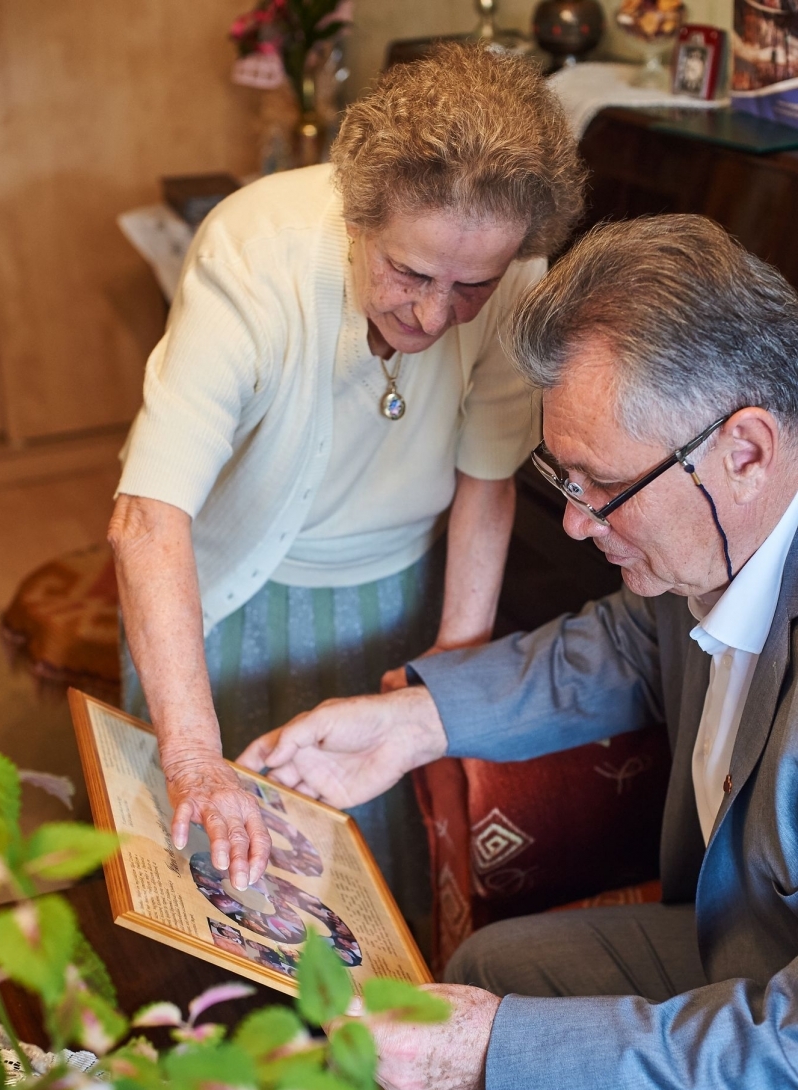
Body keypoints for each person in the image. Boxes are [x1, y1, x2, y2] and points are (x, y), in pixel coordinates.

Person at [238, 214, 798, 1090]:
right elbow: (627, 643)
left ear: (745, 449)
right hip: (741, 942)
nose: (577, 523)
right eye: (561, 480)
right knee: (493, 969)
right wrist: (411, 723)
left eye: (603, 487)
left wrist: (501, 1052)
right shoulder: (716, 532)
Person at [107, 44, 584, 929]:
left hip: (389, 598)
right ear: (360, 215)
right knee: (206, 884)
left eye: (470, 286)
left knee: (357, 893)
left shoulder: (521, 278)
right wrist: (197, 755)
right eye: (411, 273)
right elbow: (147, 516)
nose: (435, 317)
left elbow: (488, 486)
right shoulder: (256, 250)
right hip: (218, 601)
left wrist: (446, 673)